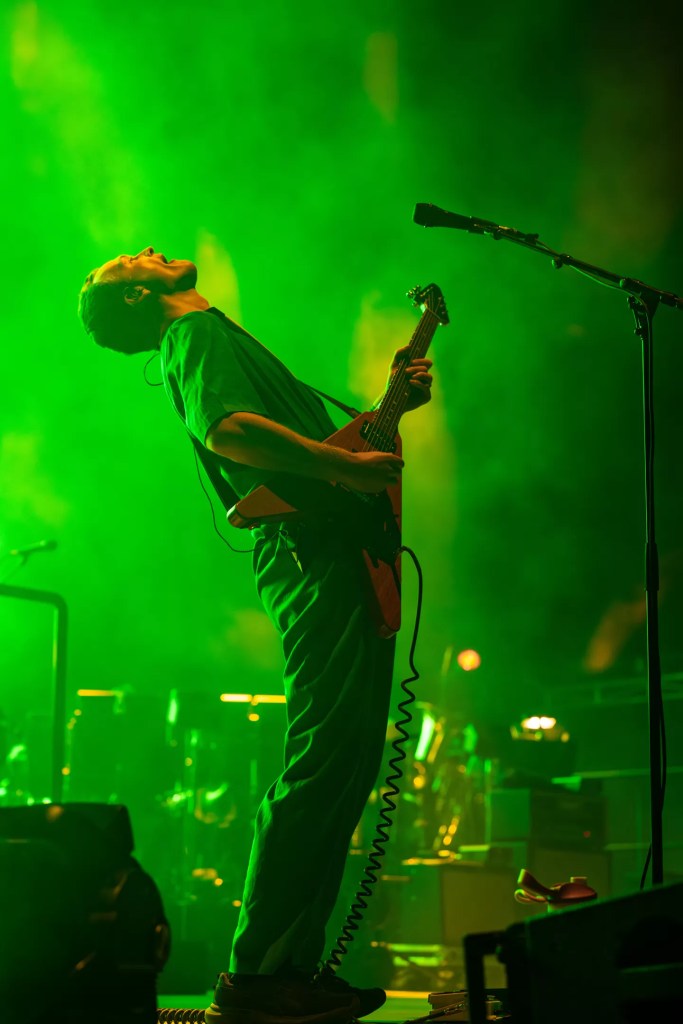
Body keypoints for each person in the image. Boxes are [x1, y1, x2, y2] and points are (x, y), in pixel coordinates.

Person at [78, 246, 433, 1024]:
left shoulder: (210, 334)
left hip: (331, 546)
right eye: (126, 260)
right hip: (315, 552)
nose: (147, 250)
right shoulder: (192, 337)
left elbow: (304, 448)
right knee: (322, 759)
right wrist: (340, 472)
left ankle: (289, 970)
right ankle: (257, 977)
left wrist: (384, 413)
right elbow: (229, 429)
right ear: (137, 295)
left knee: (341, 761)